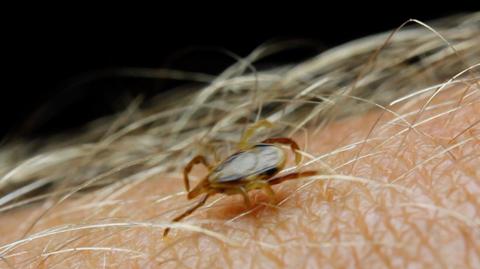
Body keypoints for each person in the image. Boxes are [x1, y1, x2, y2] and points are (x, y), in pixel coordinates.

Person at [0, 13, 479, 268]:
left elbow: (251, 186)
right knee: (247, 165)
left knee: (253, 178)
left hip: (252, 166)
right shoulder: (221, 177)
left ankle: (310, 174)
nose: (200, 188)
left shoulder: (236, 183)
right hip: (251, 163)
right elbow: (228, 177)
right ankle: (285, 166)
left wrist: (254, 186)